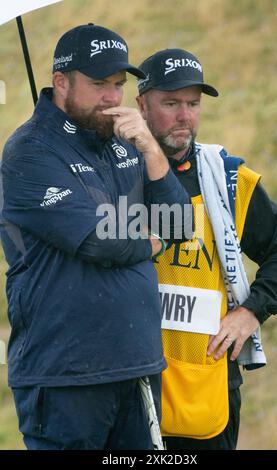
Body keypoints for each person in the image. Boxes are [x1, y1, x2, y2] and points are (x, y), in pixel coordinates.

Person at [0, 28, 193, 450]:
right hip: (65, 376)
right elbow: (98, 241)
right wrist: (154, 239)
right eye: (98, 84)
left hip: (138, 365)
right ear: (62, 81)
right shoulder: (29, 152)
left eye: (119, 85)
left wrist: (150, 149)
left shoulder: (126, 143)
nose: (111, 98)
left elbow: (180, 223)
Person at [136, 48, 277, 450]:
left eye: (193, 104)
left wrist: (250, 312)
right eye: (170, 103)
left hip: (209, 388)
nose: (184, 116)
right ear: (141, 104)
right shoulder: (115, 177)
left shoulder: (227, 178)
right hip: (132, 384)